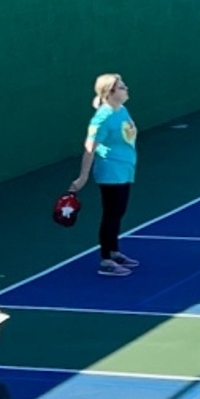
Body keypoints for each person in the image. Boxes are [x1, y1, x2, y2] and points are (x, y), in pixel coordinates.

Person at [69, 74, 139, 277]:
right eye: (121, 87)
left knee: (119, 213)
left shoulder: (122, 110)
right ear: (110, 92)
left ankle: (115, 251)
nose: (126, 89)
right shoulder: (103, 117)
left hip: (125, 169)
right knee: (111, 214)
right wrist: (82, 177)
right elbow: (89, 148)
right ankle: (106, 260)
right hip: (110, 171)